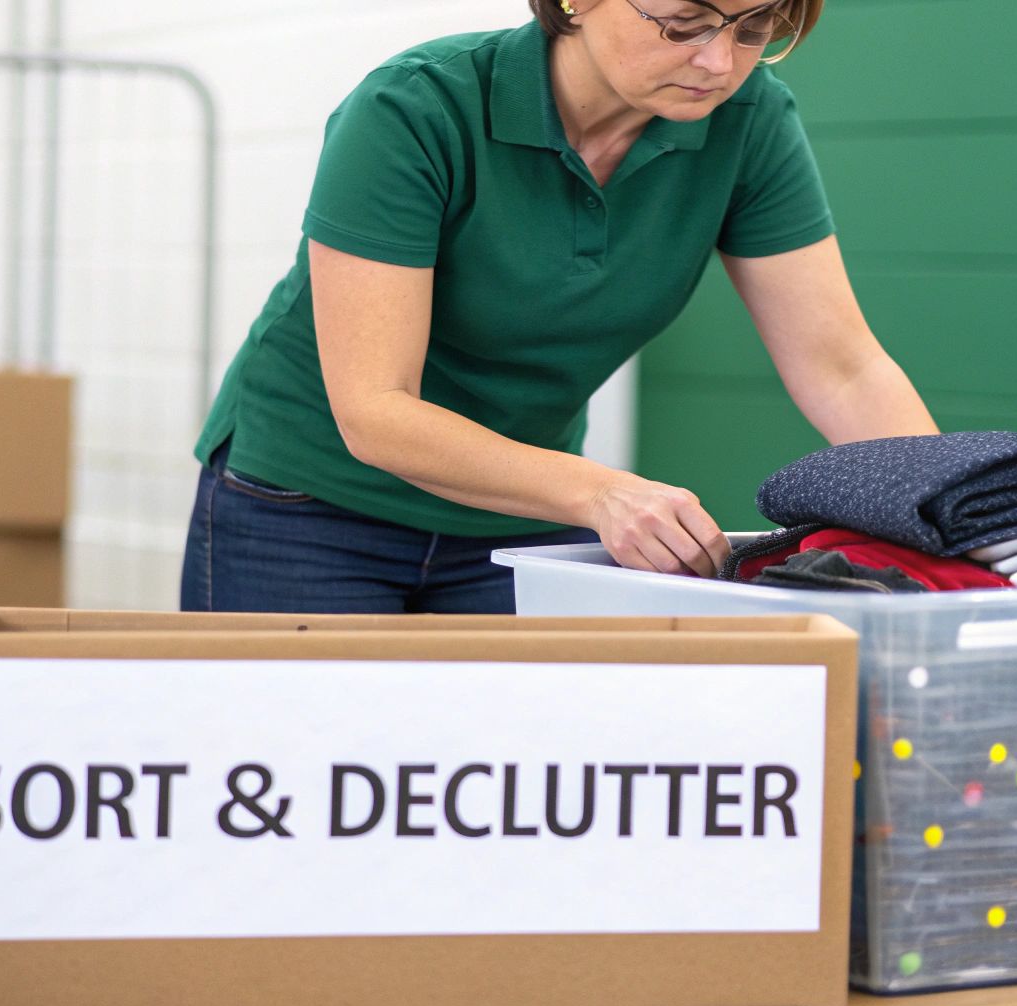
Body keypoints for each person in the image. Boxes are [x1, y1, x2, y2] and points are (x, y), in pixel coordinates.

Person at [180, 0, 937, 615]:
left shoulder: (750, 122)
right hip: (307, 507)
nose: (719, 62)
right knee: (313, 782)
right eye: (684, 23)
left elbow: (842, 368)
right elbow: (375, 409)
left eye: (753, 27)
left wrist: (957, 516)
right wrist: (600, 491)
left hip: (520, 517)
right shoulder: (415, 106)